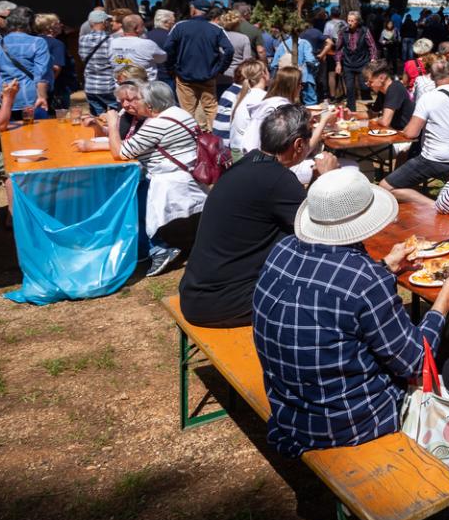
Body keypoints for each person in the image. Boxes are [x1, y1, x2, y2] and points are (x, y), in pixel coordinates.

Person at [252, 168, 449, 520]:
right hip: (345, 422)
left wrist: (386, 267)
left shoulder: (283, 250)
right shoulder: (362, 279)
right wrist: (443, 302)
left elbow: (332, 293)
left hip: (290, 408)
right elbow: (415, 359)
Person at [179, 105, 338, 328]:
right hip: (224, 302)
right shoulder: (277, 179)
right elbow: (326, 228)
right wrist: (328, 177)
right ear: (299, 145)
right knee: (330, 293)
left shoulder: (249, 163)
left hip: (198, 292)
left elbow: (301, 211)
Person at [106, 80, 208, 277]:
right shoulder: (179, 113)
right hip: (189, 174)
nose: (136, 104)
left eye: (140, 100)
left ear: (150, 105)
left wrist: (112, 124)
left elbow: (121, 152)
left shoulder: (157, 124)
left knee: (133, 199)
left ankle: (159, 250)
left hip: (169, 181)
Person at [384, 58, 449, 190]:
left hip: (434, 159)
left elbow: (411, 133)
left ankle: (428, 204)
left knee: (385, 186)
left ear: (431, 76)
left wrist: (405, 128)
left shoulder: (428, 98)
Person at [166, 0, 235, 128]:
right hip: (208, 76)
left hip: (184, 75)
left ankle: (189, 137)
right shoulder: (216, 29)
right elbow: (229, 50)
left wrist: (171, 68)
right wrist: (219, 69)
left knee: (187, 110)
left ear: (193, 9)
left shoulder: (180, 26)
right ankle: (216, 137)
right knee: (211, 108)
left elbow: (168, 49)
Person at [0, 6, 50, 120]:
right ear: (30, 23)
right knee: (35, 134)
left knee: (9, 133)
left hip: (5, 96)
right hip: (31, 97)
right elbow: (41, 74)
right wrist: (42, 97)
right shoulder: (38, 42)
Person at [225, 59, 272, 155]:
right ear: (264, 74)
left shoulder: (240, 96)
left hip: (235, 152)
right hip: (249, 156)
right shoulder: (264, 98)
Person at [336, 10, 378, 111]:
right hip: (348, 63)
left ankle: (370, 109)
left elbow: (372, 46)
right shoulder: (343, 31)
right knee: (350, 89)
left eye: (352, 21)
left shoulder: (364, 31)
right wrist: (338, 63)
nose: (349, 23)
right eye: (348, 20)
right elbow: (339, 48)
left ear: (357, 21)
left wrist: (373, 59)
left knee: (364, 87)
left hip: (362, 63)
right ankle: (351, 110)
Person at [110, 13, 168, 82]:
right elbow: (162, 58)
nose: (144, 27)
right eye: (142, 25)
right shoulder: (148, 44)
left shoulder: (111, 43)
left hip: (120, 88)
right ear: (136, 28)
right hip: (144, 89)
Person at [32, 12, 70, 111]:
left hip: (32, 88)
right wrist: (47, 86)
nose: (61, 25)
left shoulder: (31, 42)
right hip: (56, 90)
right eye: (57, 23)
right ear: (49, 27)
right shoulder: (57, 44)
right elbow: (56, 68)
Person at [362, 61, 415, 131]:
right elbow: (372, 113)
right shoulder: (382, 91)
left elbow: (385, 122)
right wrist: (351, 114)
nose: (367, 84)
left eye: (371, 82)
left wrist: (376, 120)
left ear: (382, 78)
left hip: (405, 134)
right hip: (395, 131)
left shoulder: (395, 88)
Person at [215, 11, 254, 94]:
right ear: (237, 25)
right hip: (237, 77)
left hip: (219, 75)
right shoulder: (243, 38)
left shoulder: (218, 36)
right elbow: (246, 61)